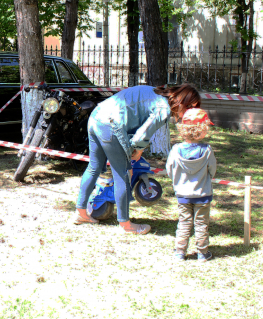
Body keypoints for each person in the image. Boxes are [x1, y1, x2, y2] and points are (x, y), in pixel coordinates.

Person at [74, 83, 201, 234]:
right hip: (109, 124)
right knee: (123, 174)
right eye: (191, 109)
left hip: (96, 116)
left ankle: (81, 213)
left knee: (93, 167)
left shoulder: (157, 92)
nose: (187, 115)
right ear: (186, 103)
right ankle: (126, 225)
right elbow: (141, 136)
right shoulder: (163, 109)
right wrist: (138, 151)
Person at [166, 108, 217, 262]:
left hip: (183, 195)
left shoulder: (175, 150)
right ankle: (202, 253)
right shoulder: (207, 150)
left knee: (184, 222)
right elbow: (212, 170)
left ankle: (180, 252)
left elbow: (169, 169)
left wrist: (177, 181)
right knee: (201, 224)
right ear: (202, 130)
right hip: (203, 195)